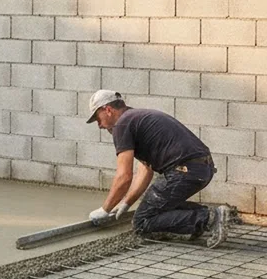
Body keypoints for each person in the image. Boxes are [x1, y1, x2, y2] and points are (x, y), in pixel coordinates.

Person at [85, 89, 228, 247]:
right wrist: (126, 202)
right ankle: (204, 219)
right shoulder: (136, 118)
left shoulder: (122, 125)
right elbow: (145, 170)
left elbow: (124, 176)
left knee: (142, 221)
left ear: (108, 110)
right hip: (201, 169)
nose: (99, 125)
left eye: (98, 119)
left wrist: (105, 209)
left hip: (183, 171)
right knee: (157, 205)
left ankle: (209, 218)